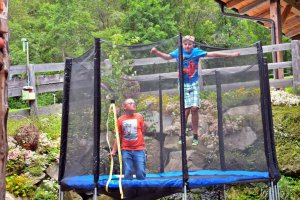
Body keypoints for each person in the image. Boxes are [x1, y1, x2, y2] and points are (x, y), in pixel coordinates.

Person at [150, 35, 240, 146]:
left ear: (193, 45)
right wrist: (157, 52)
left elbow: (212, 54)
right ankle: (181, 135)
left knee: (194, 108)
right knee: (186, 111)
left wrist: (230, 55)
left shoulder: (196, 52)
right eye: (185, 44)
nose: (187, 46)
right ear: (183, 45)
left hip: (193, 83)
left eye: (189, 44)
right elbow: (167, 57)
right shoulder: (179, 52)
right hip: (183, 84)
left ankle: (195, 134)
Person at [111, 98, 146, 180]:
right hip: (126, 150)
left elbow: (141, 131)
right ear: (124, 107)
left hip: (139, 149)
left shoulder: (139, 117)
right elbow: (118, 136)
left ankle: (142, 191)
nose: (133, 104)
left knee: (141, 171)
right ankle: (128, 191)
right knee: (128, 171)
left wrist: (143, 146)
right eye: (130, 103)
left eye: (134, 103)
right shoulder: (120, 119)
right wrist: (113, 151)